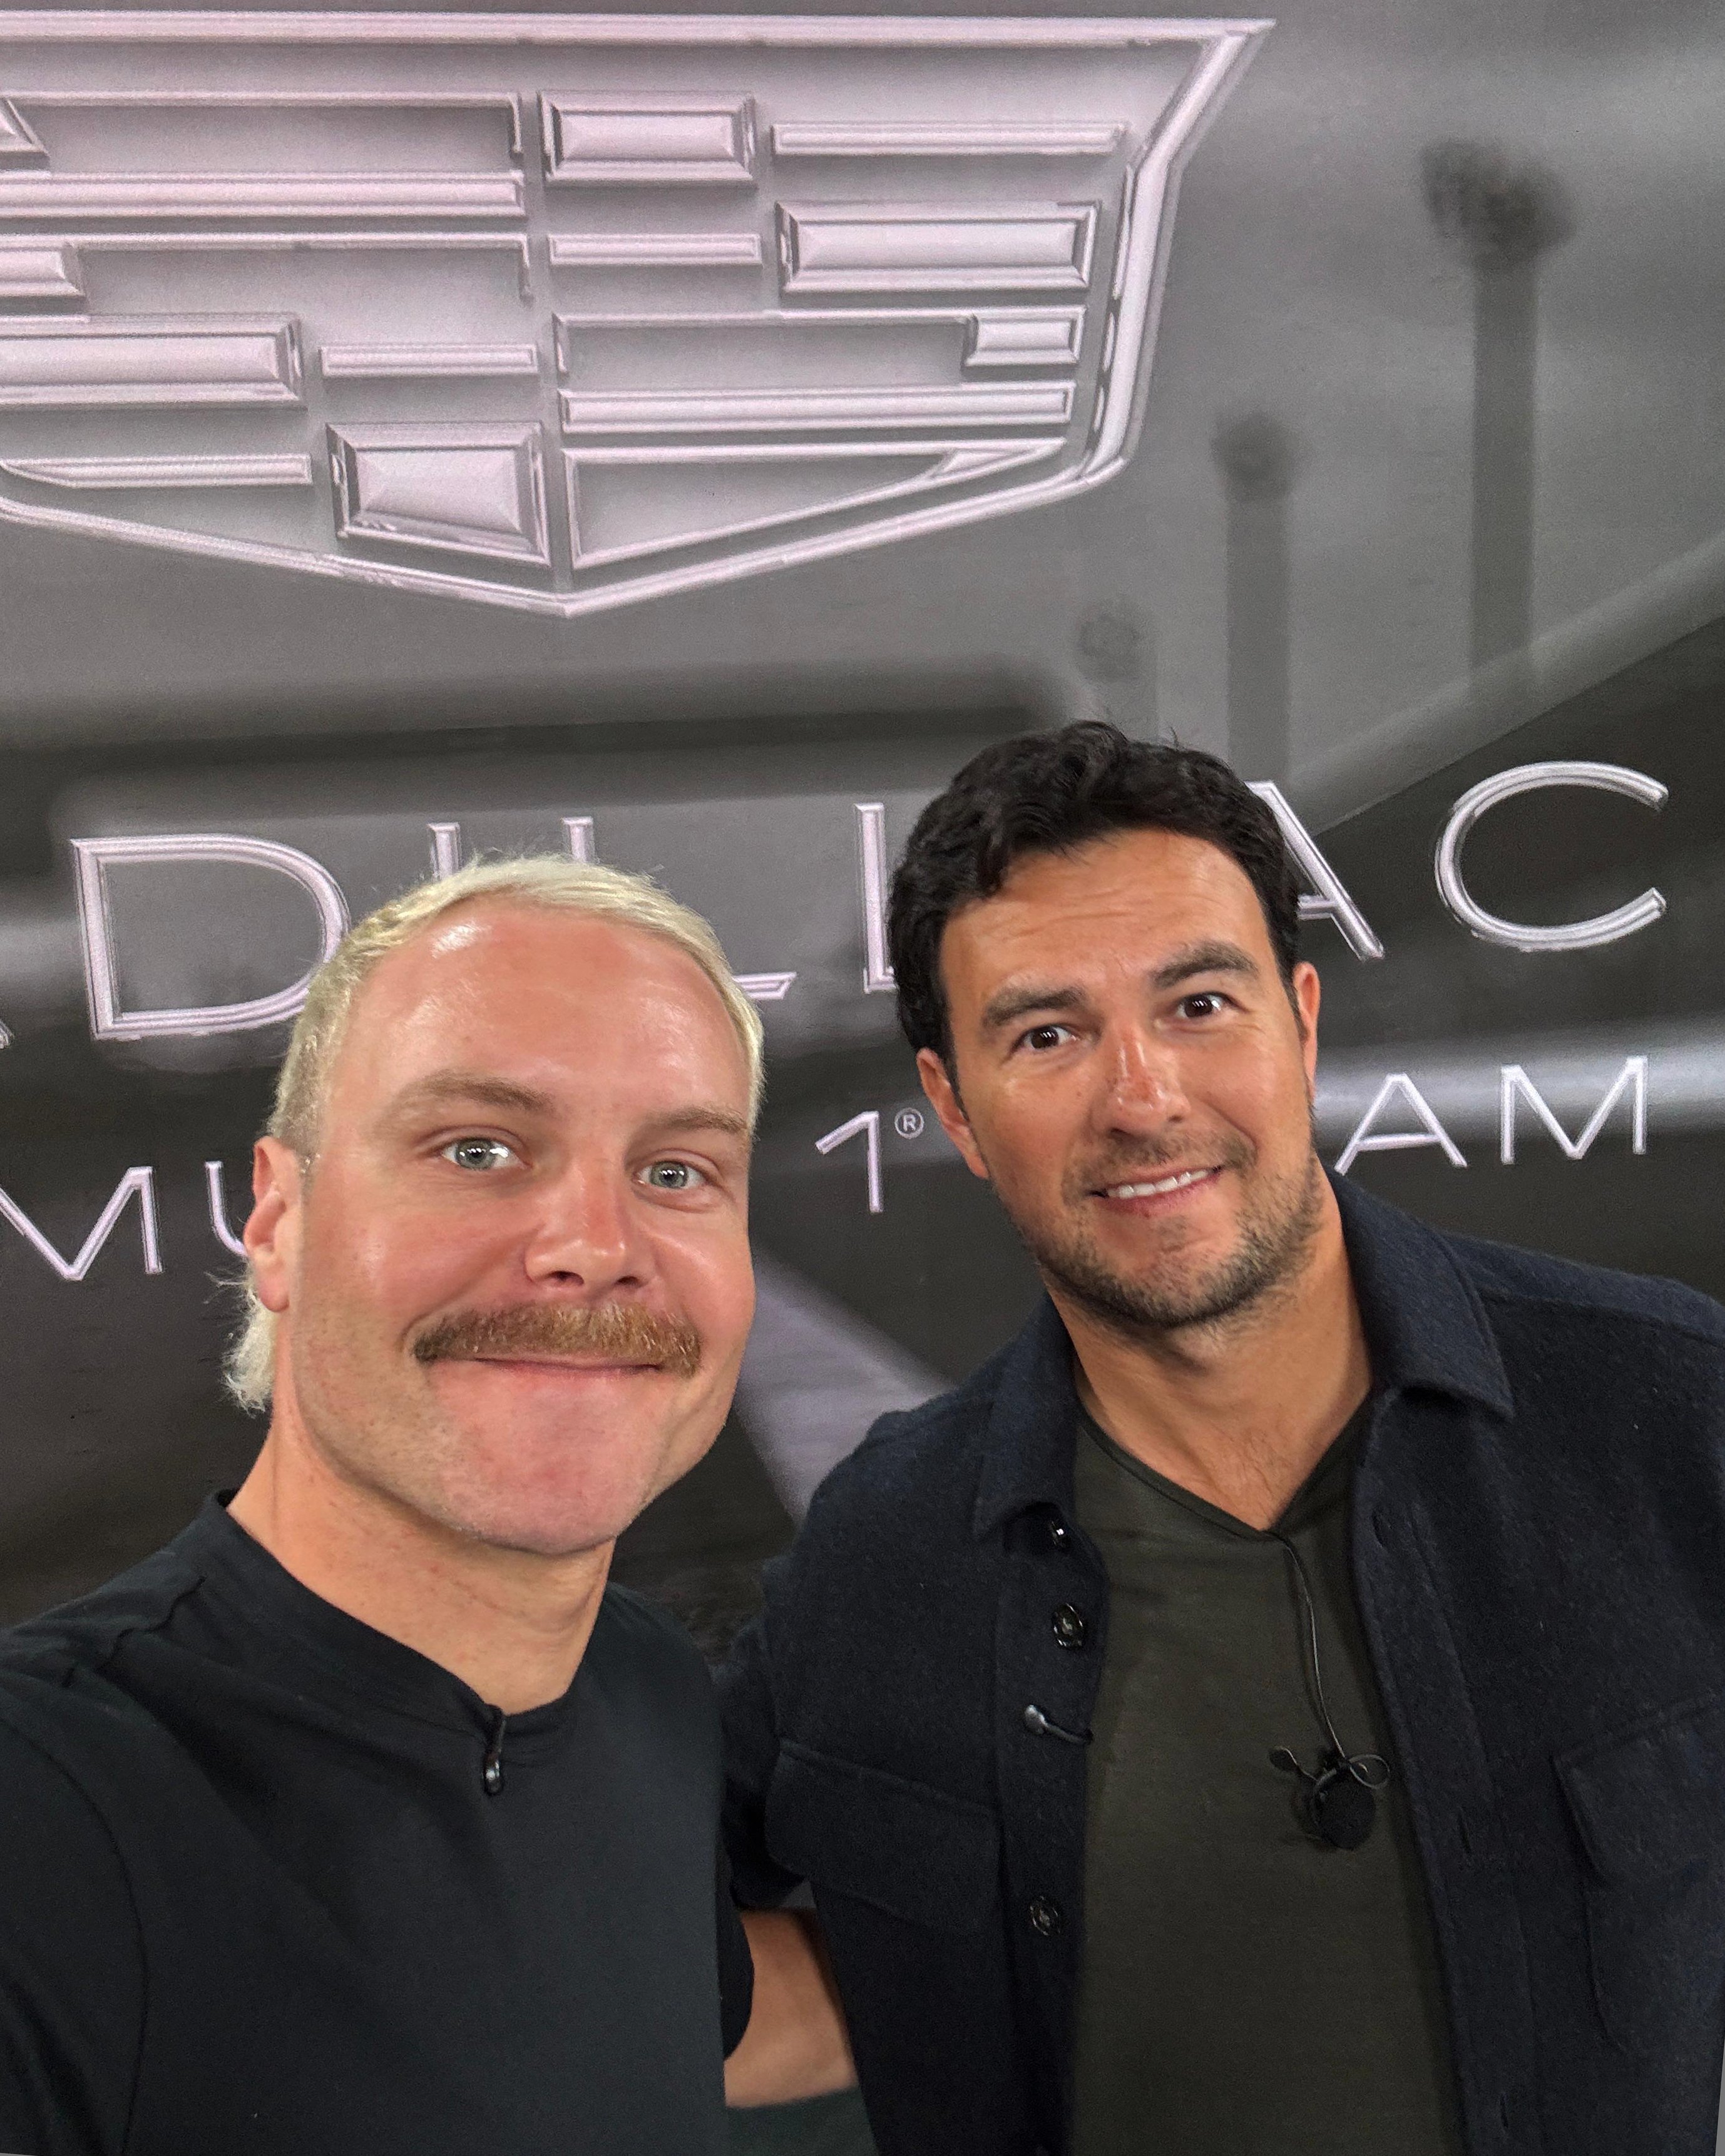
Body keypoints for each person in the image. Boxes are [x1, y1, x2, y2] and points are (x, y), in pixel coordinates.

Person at [720, 722, 1725, 2156]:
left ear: (1299, 1025)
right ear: (953, 1108)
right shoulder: (887, 1546)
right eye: (1046, 1035)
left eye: (1197, 1003)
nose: (1143, 1099)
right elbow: (629, 1931)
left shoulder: (1669, 1414)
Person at [0, 856, 765, 2156]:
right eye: (478, 1149)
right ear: (278, 1221)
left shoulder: (646, 1686)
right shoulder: (40, 1811)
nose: (596, 1244)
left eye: (678, 1170)